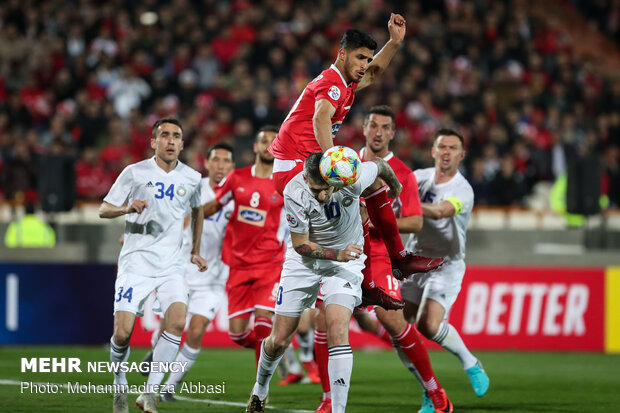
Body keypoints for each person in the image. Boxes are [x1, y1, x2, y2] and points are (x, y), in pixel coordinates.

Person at [268, 14, 442, 300]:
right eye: (360, 58)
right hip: (296, 169)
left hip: (301, 166)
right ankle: (396, 260)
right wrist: (332, 160)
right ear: (342, 54)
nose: (364, 65)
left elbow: (374, 73)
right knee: (372, 175)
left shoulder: (345, 84)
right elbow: (320, 119)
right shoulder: (332, 84)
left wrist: (395, 43)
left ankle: (373, 279)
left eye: (367, 58)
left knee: (363, 202)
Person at [246, 151, 411, 413]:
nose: (321, 196)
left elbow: (379, 164)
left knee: (337, 328)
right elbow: (301, 245)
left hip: (345, 264)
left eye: (325, 189)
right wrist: (338, 253)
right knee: (278, 340)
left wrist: (395, 185)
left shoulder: (350, 176)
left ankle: (338, 410)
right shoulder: (294, 191)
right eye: (315, 190)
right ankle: (260, 389)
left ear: (334, 178)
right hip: (304, 263)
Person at [313, 106, 453, 413]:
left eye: (385, 127)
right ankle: (327, 399)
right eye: (373, 125)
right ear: (363, 129)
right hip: (342, 249)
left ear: (392, 133)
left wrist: (373, 223)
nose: (378, 131)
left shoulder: (402, 172)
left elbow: (415, 222)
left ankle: (434, 389)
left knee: (392, 318)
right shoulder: (345, 162)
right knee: (323, 319)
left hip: (376, 251)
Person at [99, 117, 207, 413]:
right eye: (165, 135)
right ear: (153, 142)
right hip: (136, 263)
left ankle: (149, 393)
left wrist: (194, 250)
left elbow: (198, 211)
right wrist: (126, 207)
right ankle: (119, 382)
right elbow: (103, 208)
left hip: (172, 266)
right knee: (122, 334)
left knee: (176, 322)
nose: (171, 141)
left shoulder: (193, 178)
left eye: (176, 136)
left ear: (183, 144)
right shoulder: (134, 172)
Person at [402, 129, 490, 409]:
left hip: (445, 264)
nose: (446, 152)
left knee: (428, 325)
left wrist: (411, 204)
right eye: (442, 146)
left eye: (452, 148)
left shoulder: (462, 189)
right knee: (399, 328)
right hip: (414, 260)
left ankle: (471, 362)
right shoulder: (418, 177)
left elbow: (441, 211)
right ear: (433, 151)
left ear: (461, 156)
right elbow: (394, 197)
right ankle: (429, 390)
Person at [143, 142, 235, 402]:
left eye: (226, 161)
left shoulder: (238, 195)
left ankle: (169, 387)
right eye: (215, 160)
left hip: (215, 276)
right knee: (169, 326)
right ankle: (155, 354)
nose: (220, 165)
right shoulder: (193, 187)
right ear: (206, 163)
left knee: (195, 331)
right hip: (182, 269)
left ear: (231, 165)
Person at [203, 126, 286, 366]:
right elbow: (214, 206)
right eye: (264, 141)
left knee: (262, 323)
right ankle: (272, 352)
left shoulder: (283, 184)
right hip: (239, 265)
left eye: (273, 141)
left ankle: (260, 391)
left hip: (270, 264)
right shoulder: (237, 178)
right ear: (255, 147)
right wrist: (189, 219)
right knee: (237, 334)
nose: (268, 145)